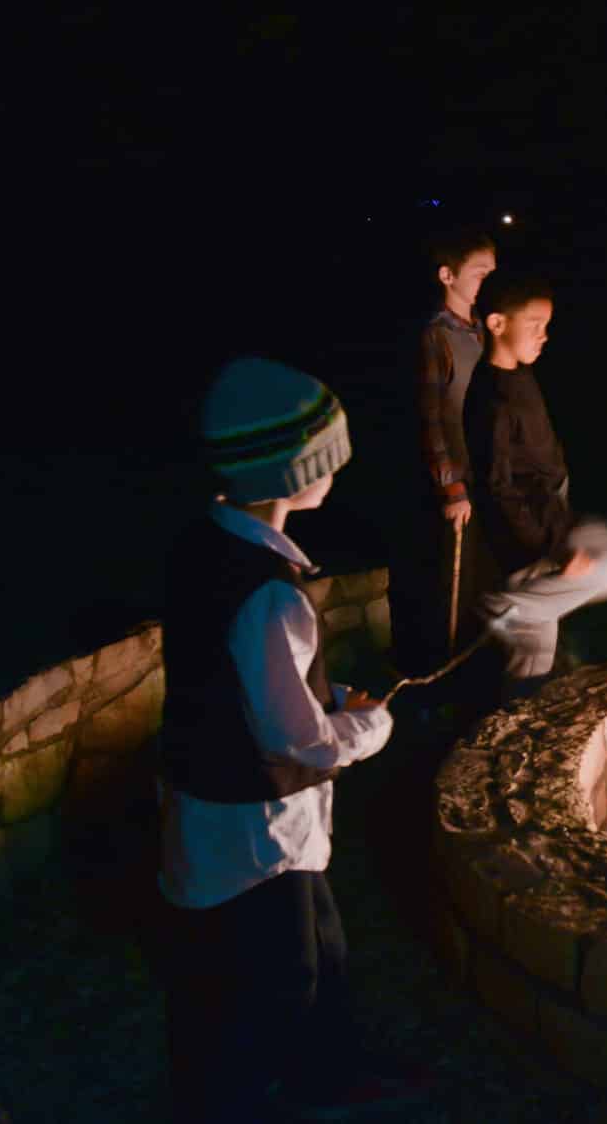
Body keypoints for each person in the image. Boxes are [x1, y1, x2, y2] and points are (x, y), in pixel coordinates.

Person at [158, 357, 421, 1122]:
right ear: (294, 468)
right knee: (279, 977)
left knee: (321, 945)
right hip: (252, 827)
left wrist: (333, 694)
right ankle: (247, 1097)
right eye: (327, 456)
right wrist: (369, 725)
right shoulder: (271, 594)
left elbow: (243, 676)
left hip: (223, 811)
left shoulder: (206, 547)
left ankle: (333, 1066)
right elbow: (297, 736)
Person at [462, 275, 607, 697]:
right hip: (529, 537)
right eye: (534, 324)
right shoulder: (491, 400)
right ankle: (505, 608)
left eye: (547, 325)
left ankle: (510, 727)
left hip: (552, 518)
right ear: (496, 323)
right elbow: (498, 488)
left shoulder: (519, 378)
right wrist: (552, 544)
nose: (544, 335)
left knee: (531, 662)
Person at [388, 225, 497, 683]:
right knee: (439, 588)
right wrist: (450, 483)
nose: (485, 282)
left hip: (481, 475)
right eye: (478, 272)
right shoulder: (436, 336)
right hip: (450, 484)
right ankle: (431, 678)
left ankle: (466, 671)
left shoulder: (481, 332)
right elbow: (433, 414)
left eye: (490, 273)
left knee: (476, 582)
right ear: (447, 275)